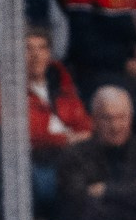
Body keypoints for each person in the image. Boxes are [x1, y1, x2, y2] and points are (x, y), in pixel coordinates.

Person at [6, 26, 93, 178]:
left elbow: (82, 121)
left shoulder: (62, 82)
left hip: (74, 153)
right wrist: (65, 139)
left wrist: (83, 135)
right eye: (28, 48)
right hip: (38, 160)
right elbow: (25, 136)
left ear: (49, 54)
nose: (36, 55)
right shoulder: (6, 89)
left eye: (42, 48)